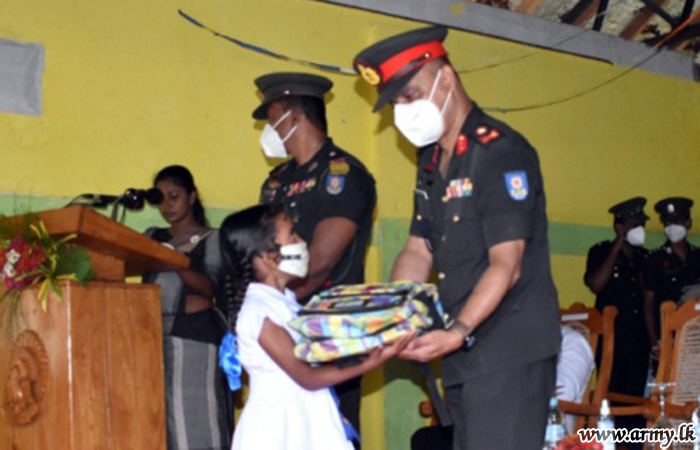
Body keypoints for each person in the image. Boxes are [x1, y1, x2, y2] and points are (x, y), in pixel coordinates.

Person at [353, 26, 561, 449]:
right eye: (396, 103)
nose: (403, 111)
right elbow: (418, 247)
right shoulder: (431, 160)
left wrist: (460, 329)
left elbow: (508, 263)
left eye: (410, 95)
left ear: (445, 79)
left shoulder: (500, 151)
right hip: (462, 347)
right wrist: (397, 315)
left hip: (508, 347)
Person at [219, 204, 412, 450]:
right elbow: (307, 376)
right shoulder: (260, 310)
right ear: (269, 257)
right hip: (279, 429)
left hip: (306, 416)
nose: (301, 241)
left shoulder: (286, 302)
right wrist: (370, 362)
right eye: (292, 235)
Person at [253, 72, 377, 433]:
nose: (270, 129)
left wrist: (268, 306)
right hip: (282, 328)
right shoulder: (276, 182)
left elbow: (321, 262)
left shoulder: (344, 174)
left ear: (294, 118)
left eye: (272, 119)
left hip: (330, 329)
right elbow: (260, 254)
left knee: (329, 433)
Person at [143, 165, 232, 450]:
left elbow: (208, 287)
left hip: (194, 336)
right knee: (163, 418)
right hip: (154, 336)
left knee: (194, 416)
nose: (166, 205)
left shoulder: (213, 238)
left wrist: (176, 261)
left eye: (174, 196)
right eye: (160, 198)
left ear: (192, 196)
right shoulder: (152, 236)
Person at [583, 197, 650, 445]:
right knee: (609, 403)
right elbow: (596, 284)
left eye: (641, 224)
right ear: (619, 226)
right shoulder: (600, 251)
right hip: (612, 344)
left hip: (639, 343)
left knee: (637, 403)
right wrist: (618, 245)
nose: (639, 230)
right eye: (634, 225)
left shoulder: (645, 257)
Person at [643, 197, 700, 359]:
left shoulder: (698, 256)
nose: (672, 226)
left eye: (677, 221)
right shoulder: (654, 259)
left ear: (688, 224)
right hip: (668, 336)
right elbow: (648, 303)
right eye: (667, 222)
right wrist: (654, 342)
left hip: (696, 336)